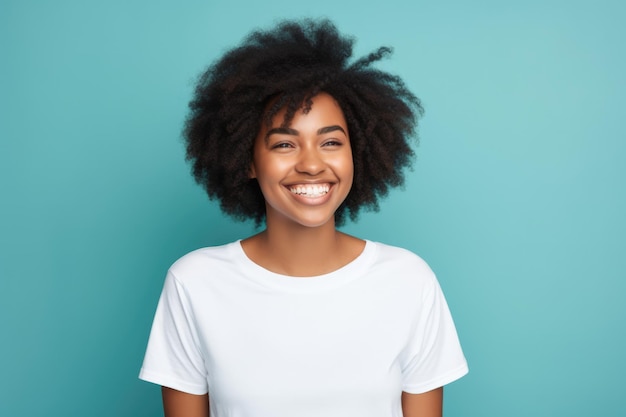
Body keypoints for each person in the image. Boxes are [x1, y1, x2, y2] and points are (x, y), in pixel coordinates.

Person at [139, 18, 468, 417]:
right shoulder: (194, 283)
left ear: (357, 154)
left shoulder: (409, 280)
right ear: (248, 161)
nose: (312, 164)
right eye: (284, 144)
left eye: (330, 141)